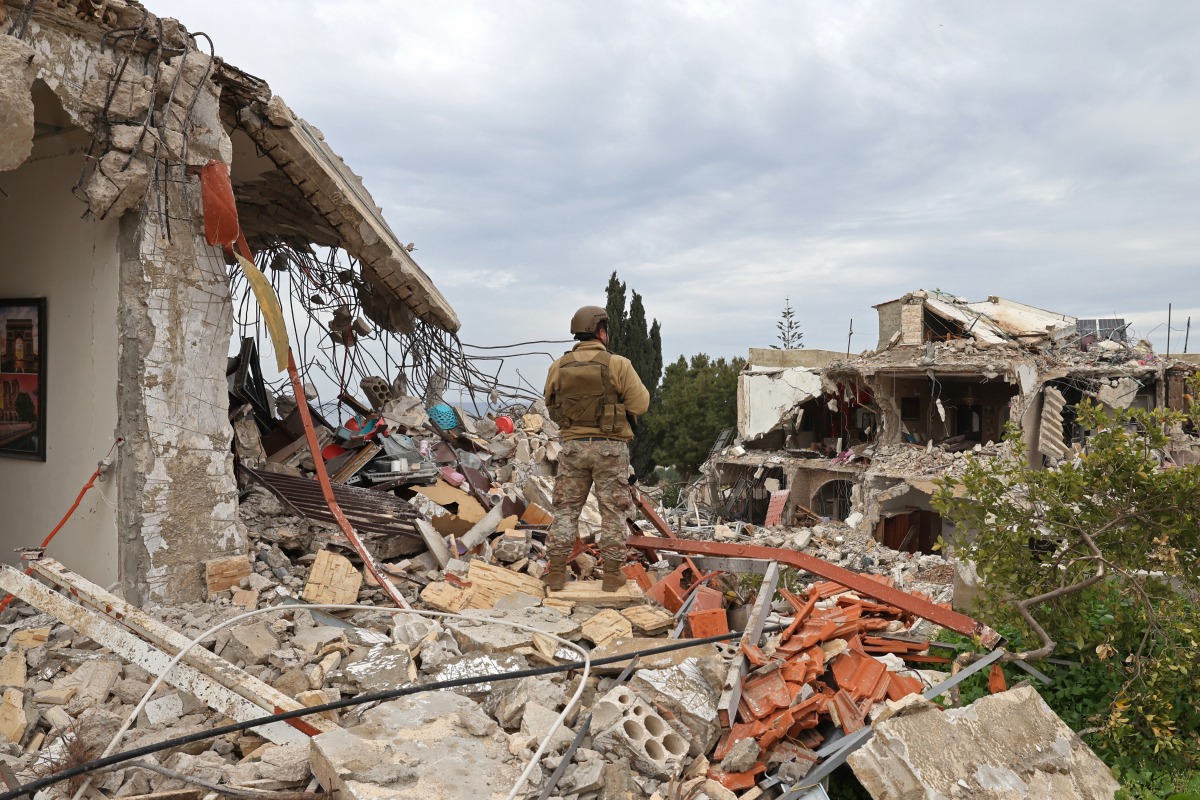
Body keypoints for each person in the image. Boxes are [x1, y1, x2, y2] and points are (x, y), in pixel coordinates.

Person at [543, 305, 650, 592]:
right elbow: (640, 404)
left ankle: (554, 572)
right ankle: (612, 575)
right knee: (612, 512)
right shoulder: (618, 364)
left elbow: (551, 405)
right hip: (610, 449)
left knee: (565, 511)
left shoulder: (559, 366)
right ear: (601, 331)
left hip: (573, 449)